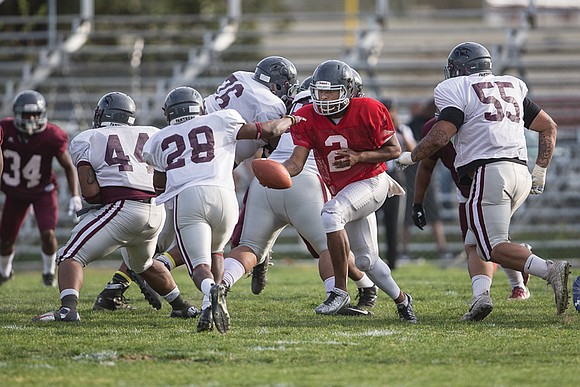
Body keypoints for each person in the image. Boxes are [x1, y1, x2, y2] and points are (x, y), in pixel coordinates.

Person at [396, 41, 570, 316]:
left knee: (491, 247)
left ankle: (549, 270)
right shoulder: (510, 85)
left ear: (460, 69)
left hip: (490, 173)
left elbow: (441, 136)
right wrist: (540, 170)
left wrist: (411, 156)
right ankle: (481, 297)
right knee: (475, 240)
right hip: (520, 173)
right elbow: (548, 126)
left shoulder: (455, 89)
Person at [213, 72, 379, 333]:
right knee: (330, 247)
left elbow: (271, 143)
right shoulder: (338, 111)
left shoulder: (286, 109)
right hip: (304, 180)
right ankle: (339, 294)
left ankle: (219, 286)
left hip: (266, 179)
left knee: (250, 247)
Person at [142, 86, 302, 334]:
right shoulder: (221, 118)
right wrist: (291, 119)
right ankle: (211, 303)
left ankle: (210, 290)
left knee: (199, 266)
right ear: (199, 107)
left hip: (190, 197)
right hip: (225, 195)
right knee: (217, 252)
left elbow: (159, 185)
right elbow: (269, 130)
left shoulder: (159, 139)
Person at [33, 91, 198, 322]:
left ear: (103, 115)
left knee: (70, 255)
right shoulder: (152, 132)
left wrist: (104, 200)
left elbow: (90, 194)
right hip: (156, 211)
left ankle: (67, 310)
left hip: (124, 208)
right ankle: (182, 306)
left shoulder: (88, 137)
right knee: (143, 264)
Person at [280, 59, 416, 322]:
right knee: (366, 261)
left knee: (331, 214)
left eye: (331, 91)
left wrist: (359, 156)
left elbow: (394, 151)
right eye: (320, 91)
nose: (324, 97)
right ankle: (402, 300)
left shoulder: (369, 109)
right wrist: (278, 172)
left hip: (373, 181)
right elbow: (296, 162)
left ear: (349, 91)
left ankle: (339, 291)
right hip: (345, 190)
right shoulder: (307, 116)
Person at [413, 117, 532, 321]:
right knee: (484, 243)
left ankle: (526, 276)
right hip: (467, 193)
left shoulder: (479, 122)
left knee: (485, 243)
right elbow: (426, 166)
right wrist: (417, 203)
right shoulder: (433, 129)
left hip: (494, 186)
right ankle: (517, 272)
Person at [0, 90, 81, 287]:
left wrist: (75, 195)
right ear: (16, 114)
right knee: (5, 240)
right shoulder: (5, 129)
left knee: (48, 233)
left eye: (36, 114)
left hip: (42, 190)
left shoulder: (52, 135)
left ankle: (48, 272)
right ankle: (5, 272)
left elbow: (68, 166)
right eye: (27, 115)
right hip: (14, 191)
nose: (32, 119)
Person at [378, 98, 416, 269]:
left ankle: (392, 261)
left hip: (394, 175)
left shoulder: (402, 129)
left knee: (394, 223)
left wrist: (398, 129)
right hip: (377, 175)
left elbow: (413, 149)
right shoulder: (375, 128)